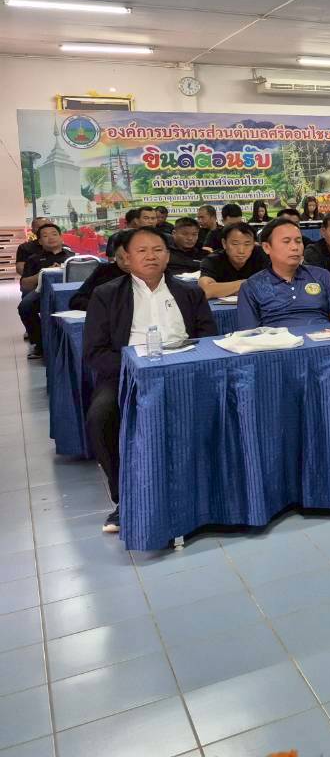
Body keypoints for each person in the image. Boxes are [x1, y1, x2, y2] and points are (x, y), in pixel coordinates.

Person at [84, 227, 217, 534]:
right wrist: (137, 368)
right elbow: (94, 353)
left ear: (168, 256)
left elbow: (208, 336)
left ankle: (211, 493)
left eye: (157, 250)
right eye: (141, 251)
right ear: (126, 258)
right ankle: (125, 499)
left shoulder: (189, 292)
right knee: (100, 416)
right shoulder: (106, 295)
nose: (151, 256)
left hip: (185, 370)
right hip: (128, 375)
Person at [237, 218, 330, 329]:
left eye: (298, 241)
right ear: (267, 247)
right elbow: (249, 333)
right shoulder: (251, 287)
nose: (295, 247)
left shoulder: (322, 276)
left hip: (323, 338)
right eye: (286, 241)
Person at [17, 222, 75, 358]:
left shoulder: (72, 257)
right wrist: (42, 274)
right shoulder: (34, 259)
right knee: (25, 306)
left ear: (61, 237)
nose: (51, 237)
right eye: (45, 236)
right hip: (42, 292)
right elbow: (24, 284)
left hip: (70, 292)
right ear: (40, 241)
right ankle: (40, 344)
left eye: (54, 234)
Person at [198, 222, 268, 299]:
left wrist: (227, 290)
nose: (241, 251)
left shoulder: (262, 256)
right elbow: (205, 290)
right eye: (235, 244)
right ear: (224, 243)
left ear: (254, 244)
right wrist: (248, 283)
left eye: (247, 244)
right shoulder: (212, 260)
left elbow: (273, 285)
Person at [70, 245, 130, 310]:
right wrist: (99, 307)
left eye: (129, 257)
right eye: (120, 258)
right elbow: (76, 300)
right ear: (115, 256)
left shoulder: (138, 276)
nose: (125, 263)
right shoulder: (104, 271)